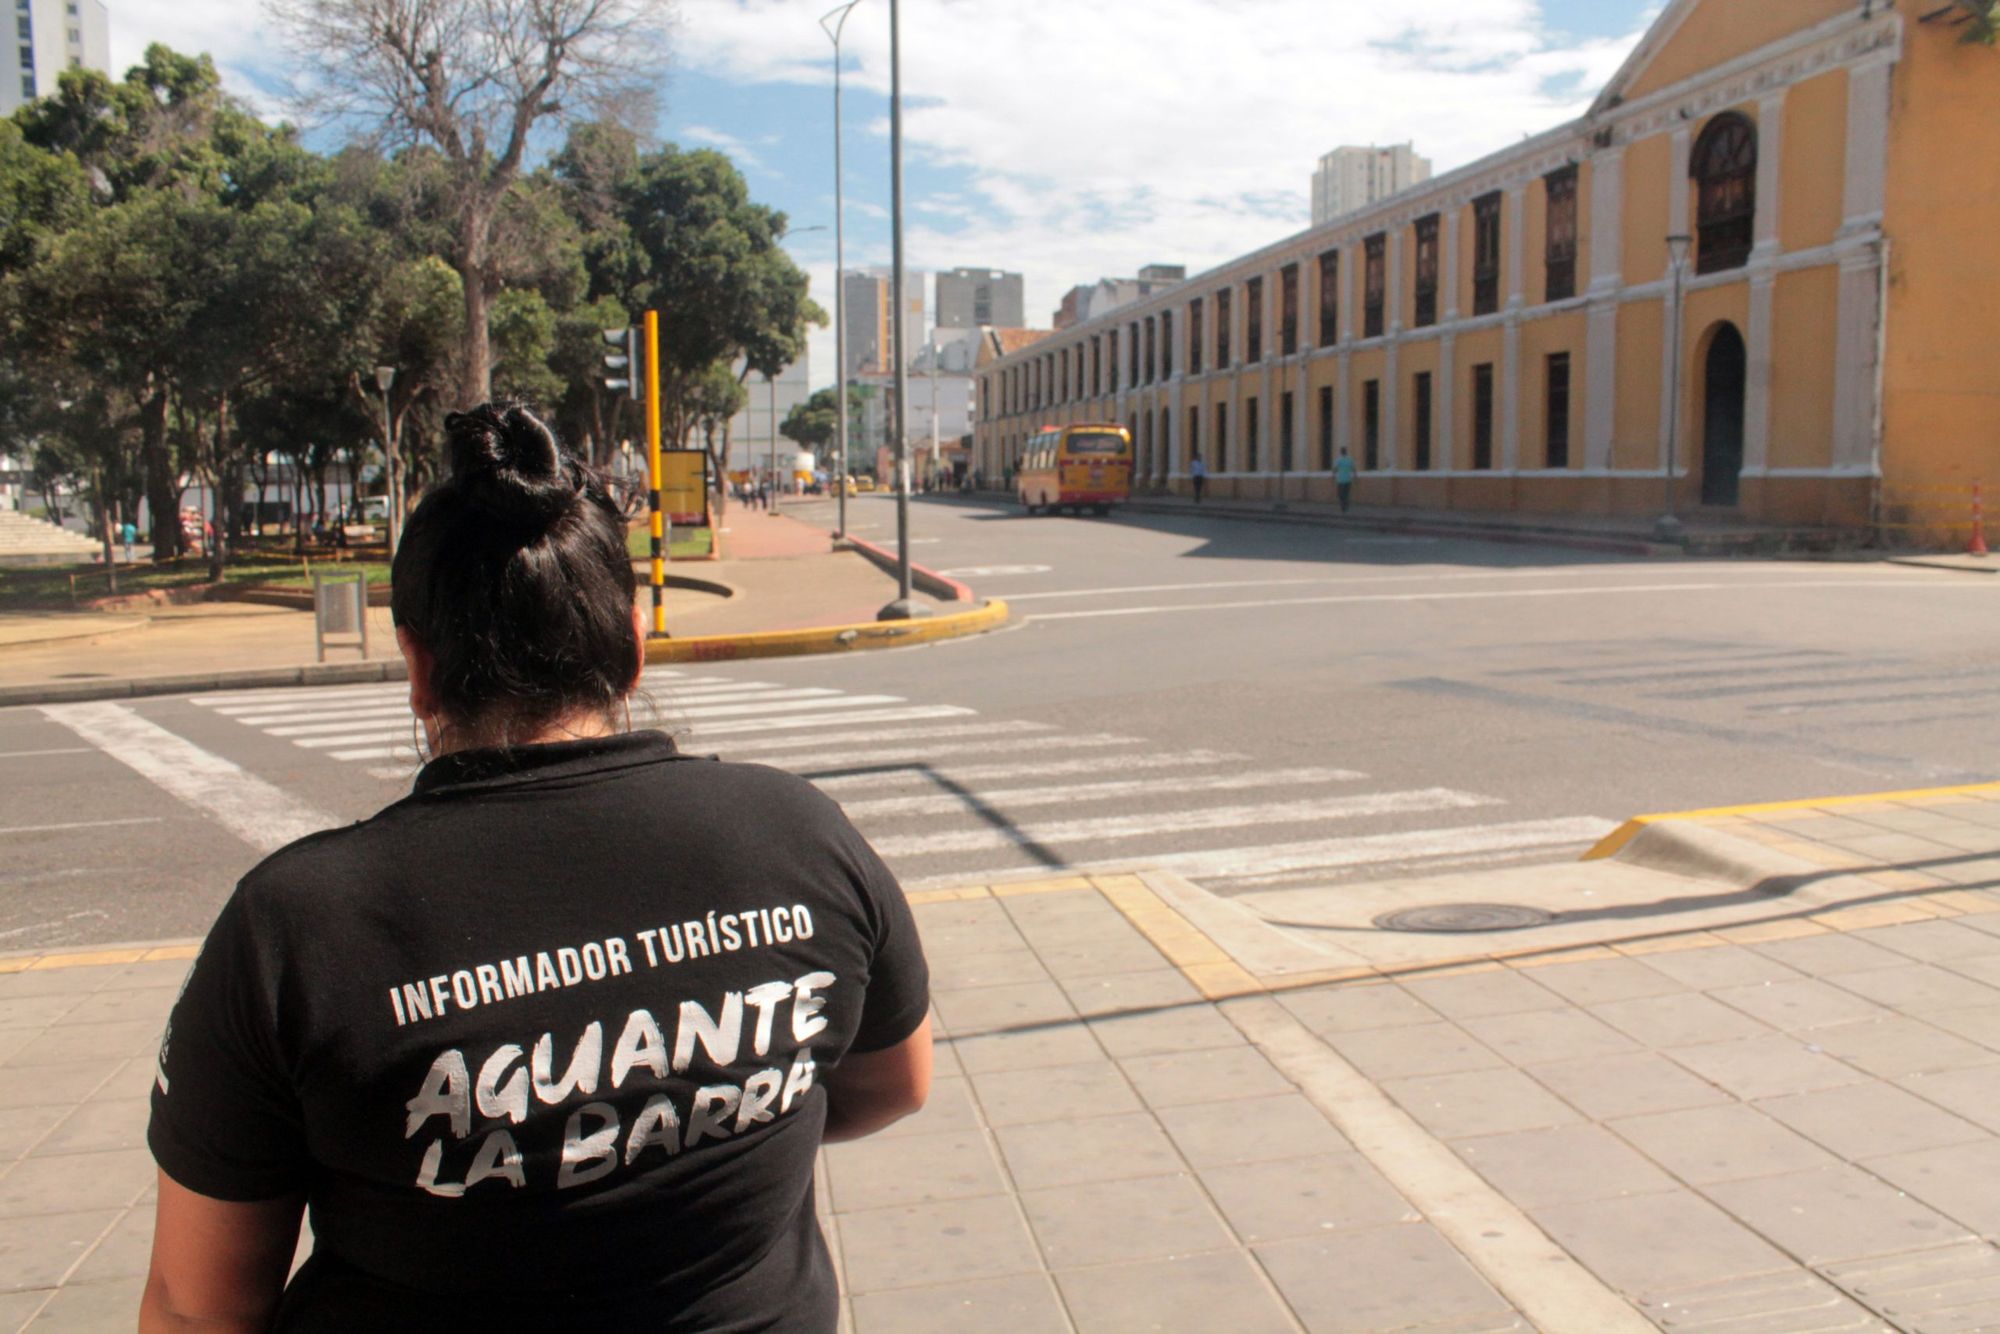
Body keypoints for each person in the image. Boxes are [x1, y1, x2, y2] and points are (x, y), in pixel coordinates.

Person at [142, 401, 932, 1332]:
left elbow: (198, 1307)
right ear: (633, 651)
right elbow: (897, 1082)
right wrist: (699, 1130)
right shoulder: (800, 836)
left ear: (418, 670)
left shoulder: (296, 928)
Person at [1334, 446, 1356, 515]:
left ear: (1341, 452)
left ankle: (1343, 506)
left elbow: (1335, 468)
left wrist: (1332, 475)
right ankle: (1346, 506)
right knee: (1346, 494)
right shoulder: (1350, 459)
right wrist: (1355, 476)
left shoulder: (1338, 460)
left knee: (1341, 494)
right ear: (1346, 452)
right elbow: (1353, 469)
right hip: (1348, 480)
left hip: (1340, 480)